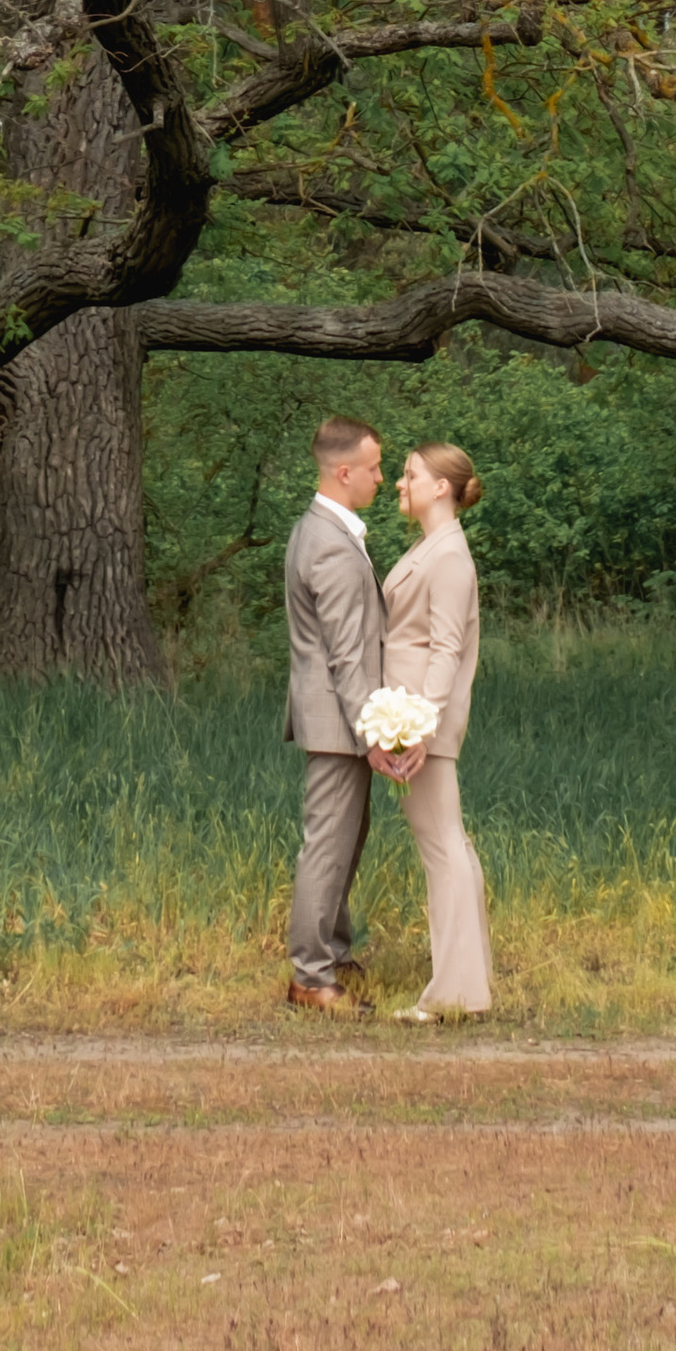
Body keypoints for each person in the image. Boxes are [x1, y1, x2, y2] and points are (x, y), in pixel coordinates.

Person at [370, 442, 495, 1021]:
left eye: (410, 473)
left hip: (423, 724)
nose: (400, 482)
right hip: (415, 718)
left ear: (441, 486)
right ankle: (465, 987)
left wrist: (419, 726)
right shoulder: (432, 547)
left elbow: (446, 649)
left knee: (443, 844)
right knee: (447, 842)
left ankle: (455, 993)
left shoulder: (448, 556)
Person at [280, 413, 387, 1013]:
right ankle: (312, 978)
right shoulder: (331, 548)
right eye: (373, 467)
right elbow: (347, 656)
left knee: (344, 838)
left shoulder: (317, 531)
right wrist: (373, 731)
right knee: (326, 845)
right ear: (343, 472)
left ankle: (335, 953)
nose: (381, 476)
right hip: (339, 720)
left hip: (333, 716)